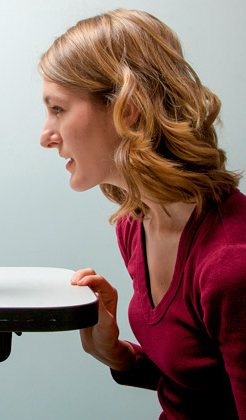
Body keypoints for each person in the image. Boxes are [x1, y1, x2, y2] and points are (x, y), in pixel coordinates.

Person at [39, 9, 245, 419]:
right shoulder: (136, 225)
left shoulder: (231, 265)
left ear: (128, 109)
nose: (46, 135)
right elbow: (201, 385)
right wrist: (116, 354)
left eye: (58, 108)